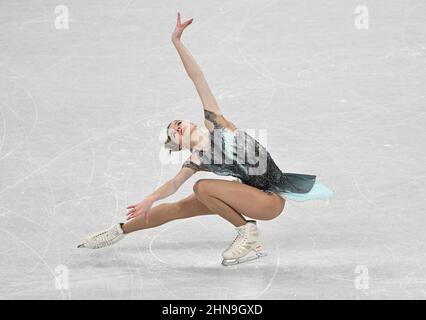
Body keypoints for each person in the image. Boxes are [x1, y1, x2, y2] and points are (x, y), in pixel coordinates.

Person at [78, 13, 335, 266]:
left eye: (177, 122)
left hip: (270, 200)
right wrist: (149, 200)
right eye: (173, 131)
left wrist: (177, 43)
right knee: (180, 207)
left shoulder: (217, 123)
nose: (177, 125)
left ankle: (247, 232)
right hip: (252, 195)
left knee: (202, 188)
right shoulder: (197, 159)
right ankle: (119, 231)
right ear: (179, 144)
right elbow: (172, 185)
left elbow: (197, 77)